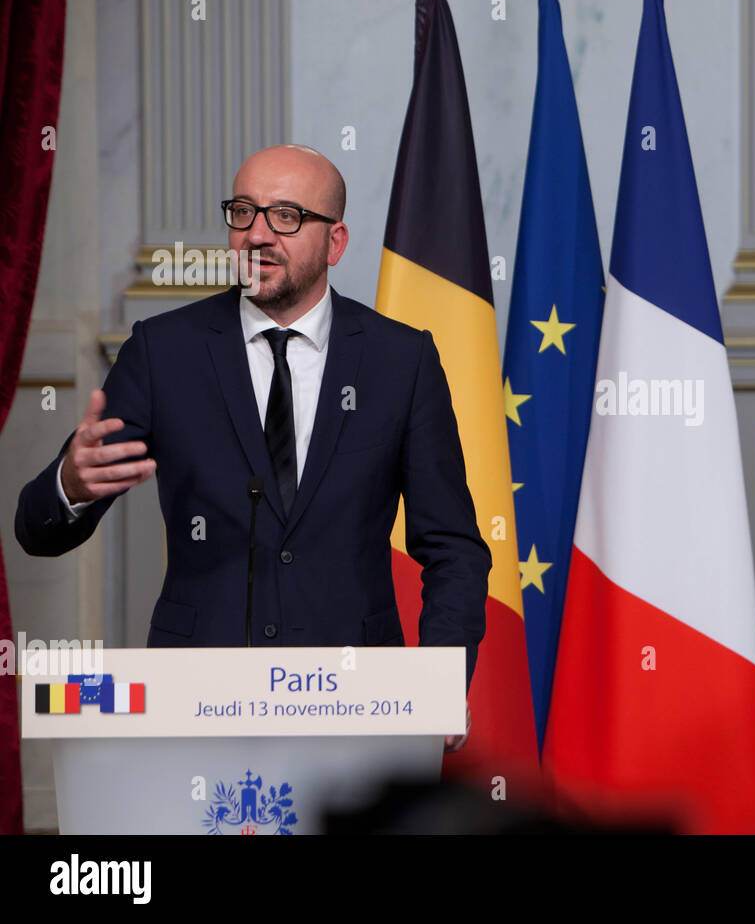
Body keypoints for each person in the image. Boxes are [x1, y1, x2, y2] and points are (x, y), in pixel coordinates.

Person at [14, 144, 490, 752]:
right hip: (195, 703)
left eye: (285, 216)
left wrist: (440, 679)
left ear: (335, 243)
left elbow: (453, 546)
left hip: (356, 701)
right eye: (243, 212)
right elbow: (38, 530)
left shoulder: (402, 361)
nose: (256, 235)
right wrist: (70, 487)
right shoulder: (164, 352)